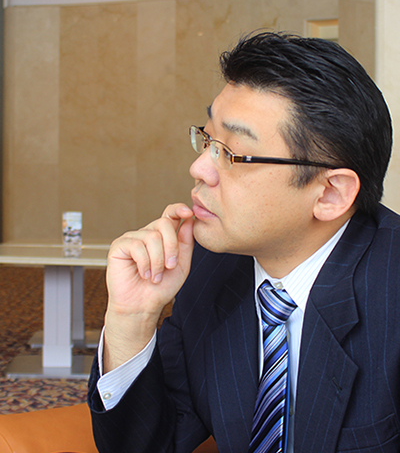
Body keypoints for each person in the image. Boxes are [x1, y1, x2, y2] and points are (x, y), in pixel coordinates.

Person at [88, 31, 400, 453]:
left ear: (330, 193)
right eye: (207, 139)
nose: (199, 167)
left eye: (233, 153)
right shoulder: (208, 269)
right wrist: (131, 320)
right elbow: (150, 444)